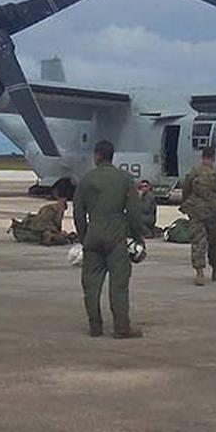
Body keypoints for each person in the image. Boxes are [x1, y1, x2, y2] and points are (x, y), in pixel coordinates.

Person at [73, 140, 145, 338]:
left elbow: (78, 212)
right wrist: (137, 237)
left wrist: (84, 236)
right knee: (119, 285)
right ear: (112, 156)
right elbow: (133, 212)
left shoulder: (86, 180)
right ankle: (122, 327)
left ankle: (95, 326)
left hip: (93, 236)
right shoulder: (124, 179)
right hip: (116, 237)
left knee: (91, 284)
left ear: (97, 156)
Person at [180, 146, 216, 286]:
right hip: (212, 211)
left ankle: (199, 272)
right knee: (213, 242)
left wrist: (186, 206)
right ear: (213, 157)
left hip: (196, 211)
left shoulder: (194, 172)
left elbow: (186, 191)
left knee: (198, 241)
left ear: (202, 157)